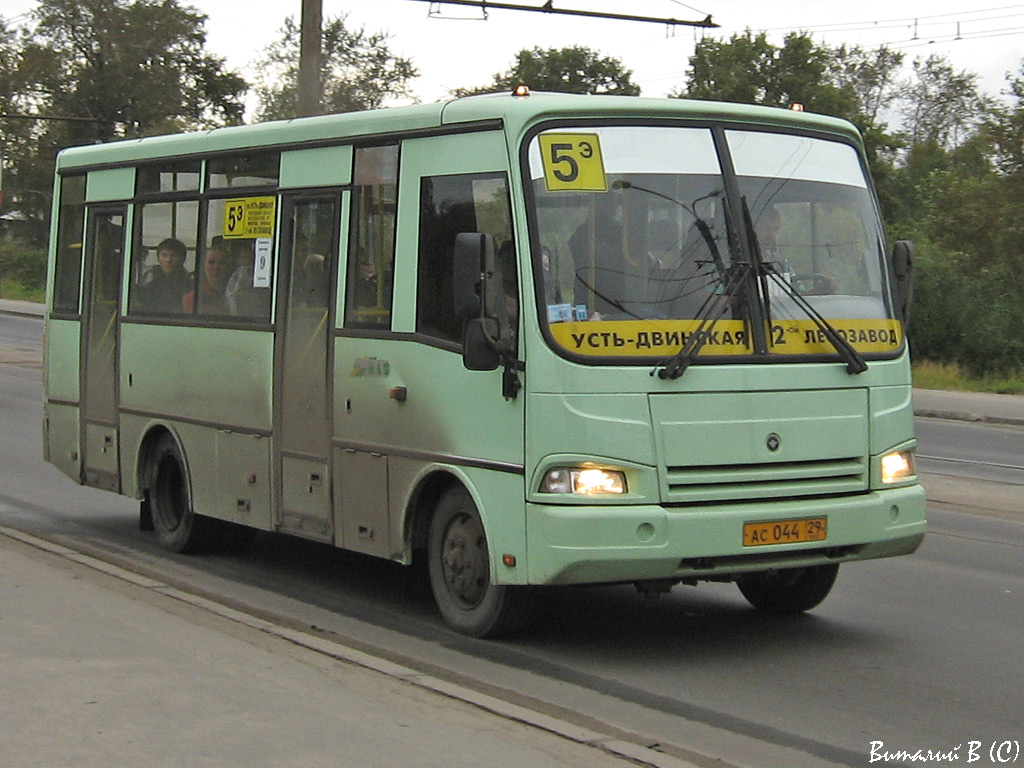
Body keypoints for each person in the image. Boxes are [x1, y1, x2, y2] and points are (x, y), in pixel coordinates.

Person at [138, 237, 191, 313]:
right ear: (158, 259)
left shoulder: (191, 284)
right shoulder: (150, 286)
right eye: (164, 255)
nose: (168, 260)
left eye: (174, 255)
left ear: (183, 258)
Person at [184, 242, 234, 315]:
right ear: (203, 265)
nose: (216, 267)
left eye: (222, 263)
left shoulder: (238, 292)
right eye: (211, 262)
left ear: (229, 266)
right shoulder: (194, 297)